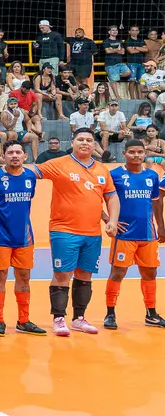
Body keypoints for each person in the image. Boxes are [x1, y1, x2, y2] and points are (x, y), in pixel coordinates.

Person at [32, 129, 119, 336]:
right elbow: (31, 172)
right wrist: (6, 169)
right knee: (62, 274)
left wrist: (112, 221)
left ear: (94, 145)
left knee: (85, 275)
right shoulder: (59, 164)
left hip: (92, 233)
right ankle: (58, 319)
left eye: (89, 140)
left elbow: (112, 197)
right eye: (81, 139)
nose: (85, 143)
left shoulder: (102, 170)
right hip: (64, 230)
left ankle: (79, 319)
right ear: (72, 142)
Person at [0, 140, 45, 336]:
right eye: (10, 152)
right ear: (3, 156)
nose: (14, 156)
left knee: (24, 278)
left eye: (18, 152)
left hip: (24, 237)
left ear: (25, 156)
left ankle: (23, 320)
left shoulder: (30, 177)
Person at [104, 139, 164, 330]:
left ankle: (151, 313)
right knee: (118, 273)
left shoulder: (152, 176)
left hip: (147, 233)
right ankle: (110, 313)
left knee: (150, 273)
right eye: (132, 152)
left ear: (145, 154)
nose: (136, 155)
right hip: (124, 234)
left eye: (140, 152)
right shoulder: (114, 175)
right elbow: (96, 198)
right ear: (124, 154)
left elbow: (156, 202)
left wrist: (161, 226)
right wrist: (109, 220)